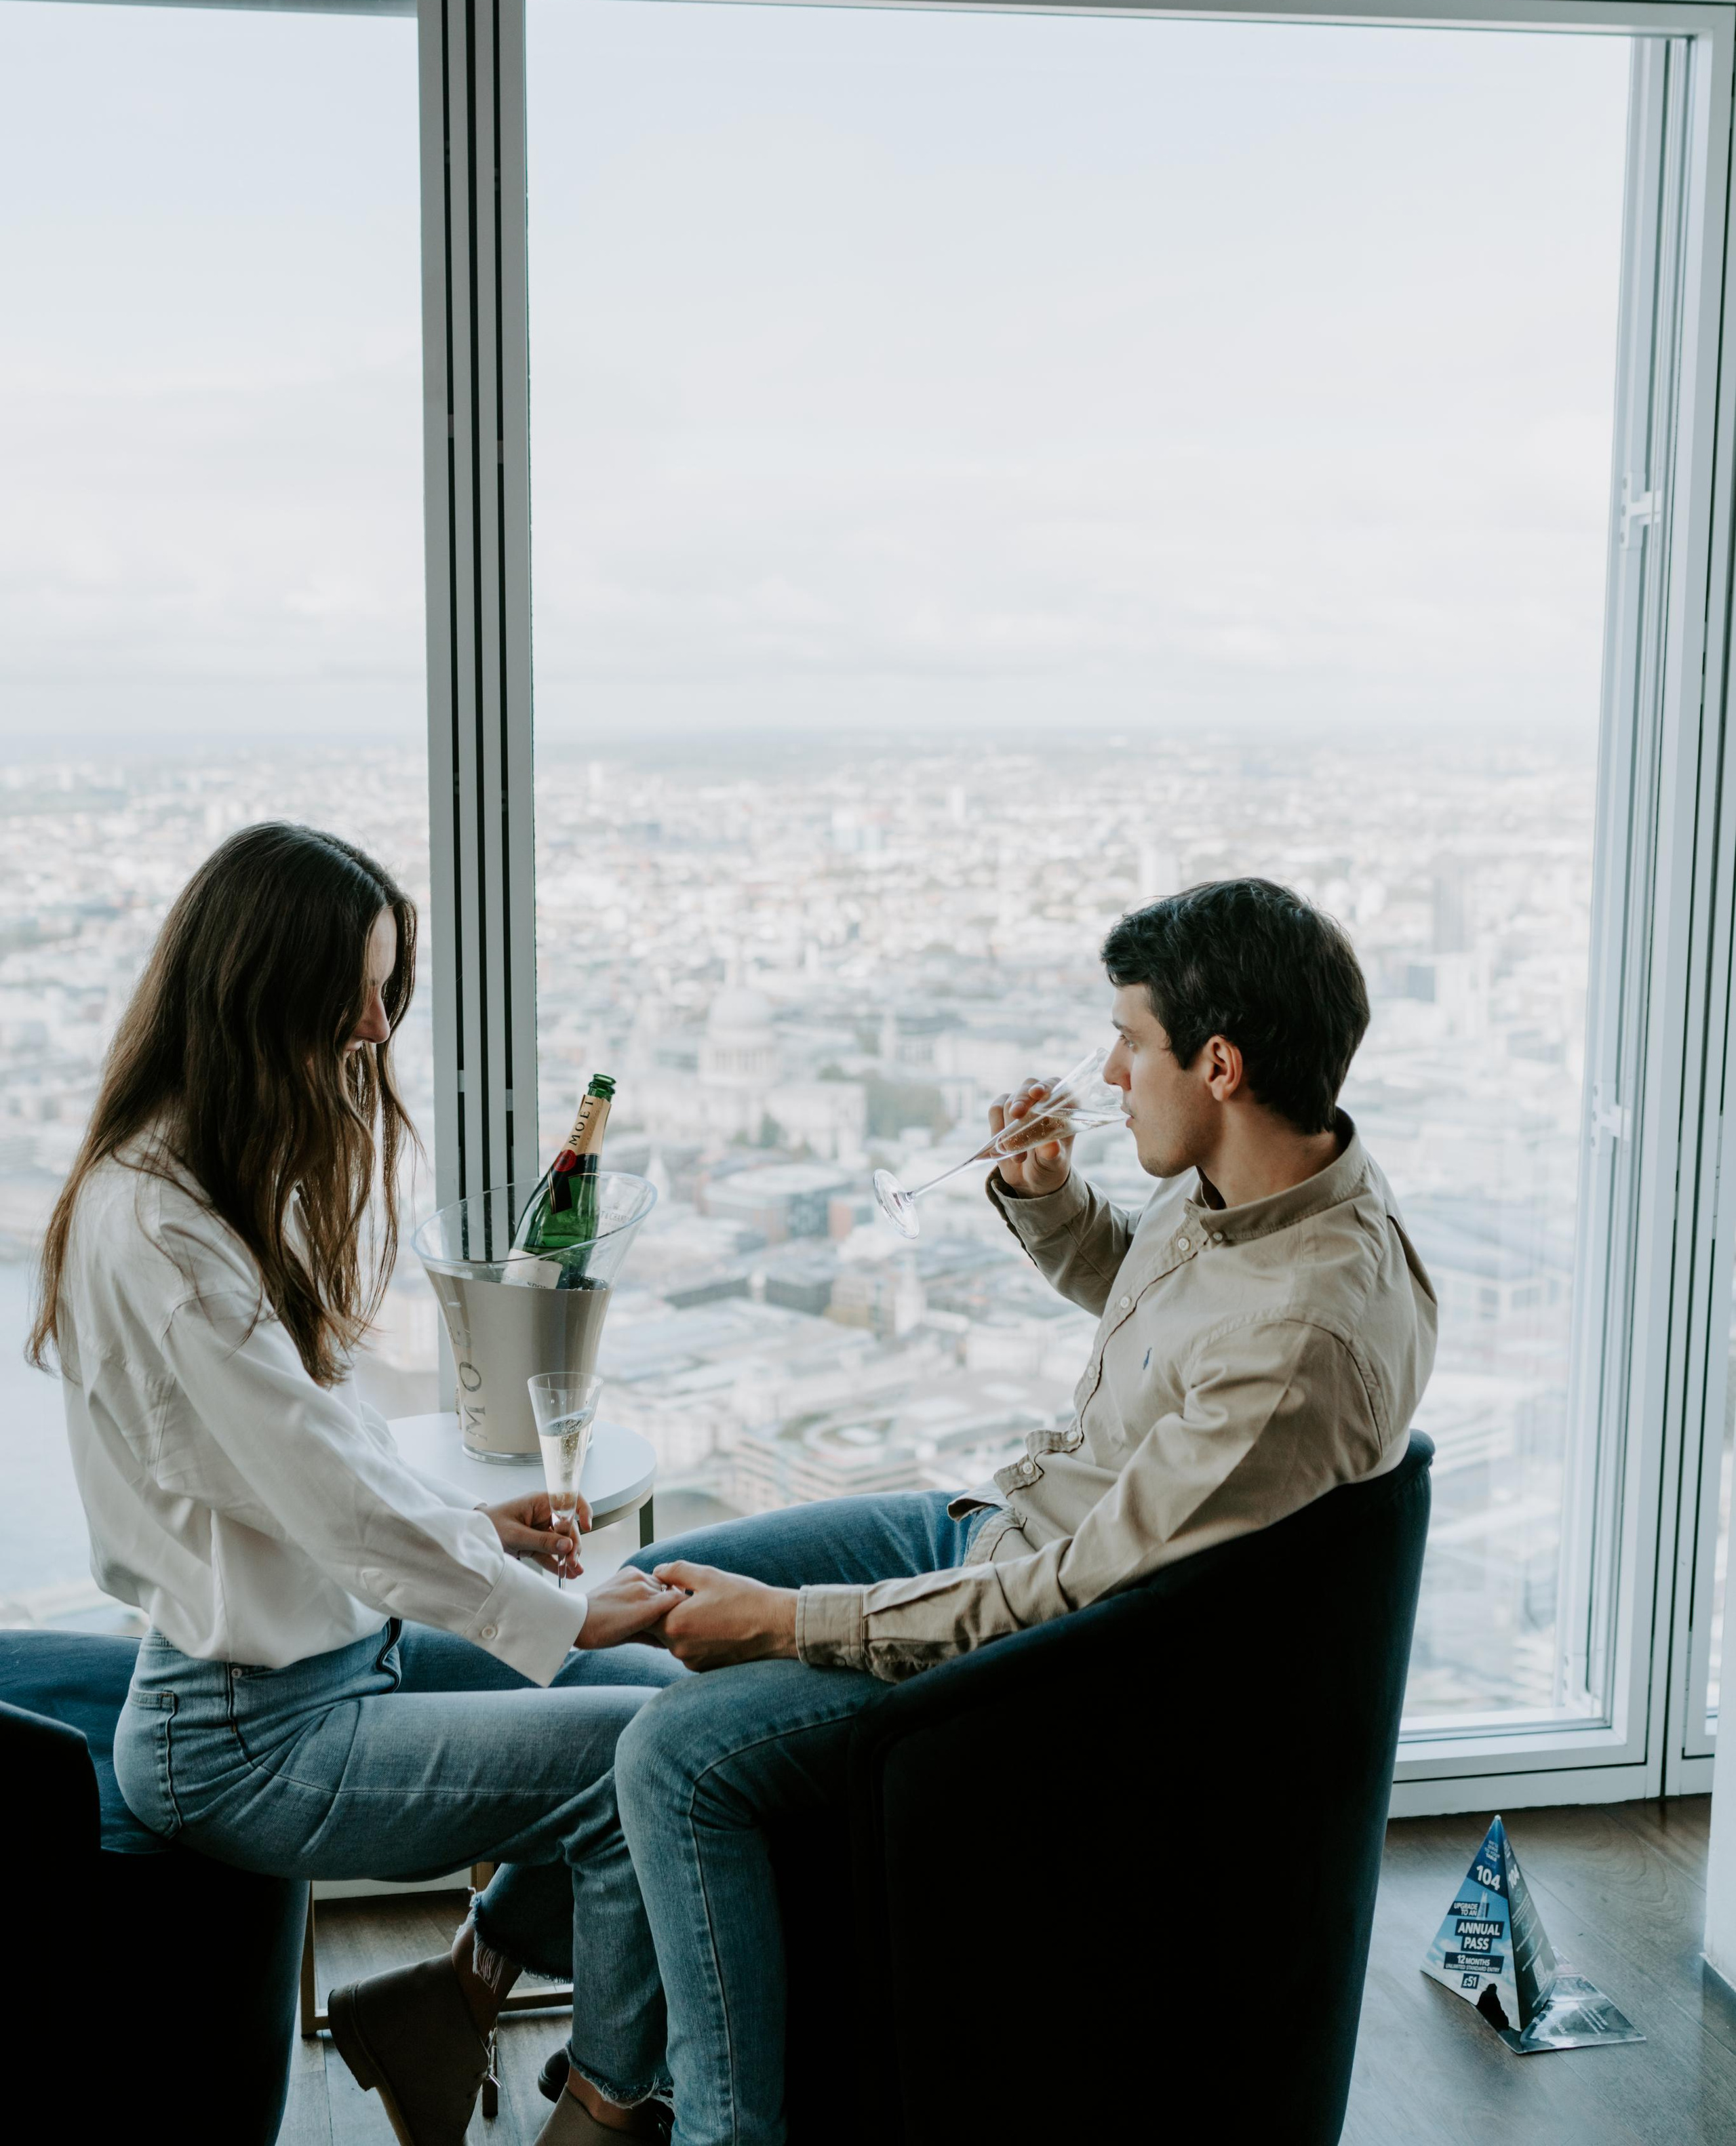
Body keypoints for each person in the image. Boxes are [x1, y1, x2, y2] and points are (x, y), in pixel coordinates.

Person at [576, 877, 1438, 2146]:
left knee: (675, 1755)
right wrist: (1048, 1199)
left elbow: (1074, 1594)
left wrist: (788, 1625)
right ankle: (536, 2015)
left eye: (1130, 1040)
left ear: (1220, 1060)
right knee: (656, 1583)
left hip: (1045, 1642)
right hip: (1000, 1524)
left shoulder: (1303, 1329)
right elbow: (1158, 1341)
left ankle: (713, 2128)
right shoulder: (1254, 1182)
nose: (1107, 1067)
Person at [31, 822, 683, 2146]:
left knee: (665, 1705)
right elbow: (323, 1492)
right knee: (644, 1753)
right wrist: (558, 1607)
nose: (381, 1025)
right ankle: (603, 2122)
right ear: (262, 982)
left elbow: (302, 1465)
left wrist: (471, 1534)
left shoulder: (201, 1182)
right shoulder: (157, 1221)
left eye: (391, 985)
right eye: (362, 986)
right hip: (237, 1733)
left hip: (334, 1661)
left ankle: (451, 1997)